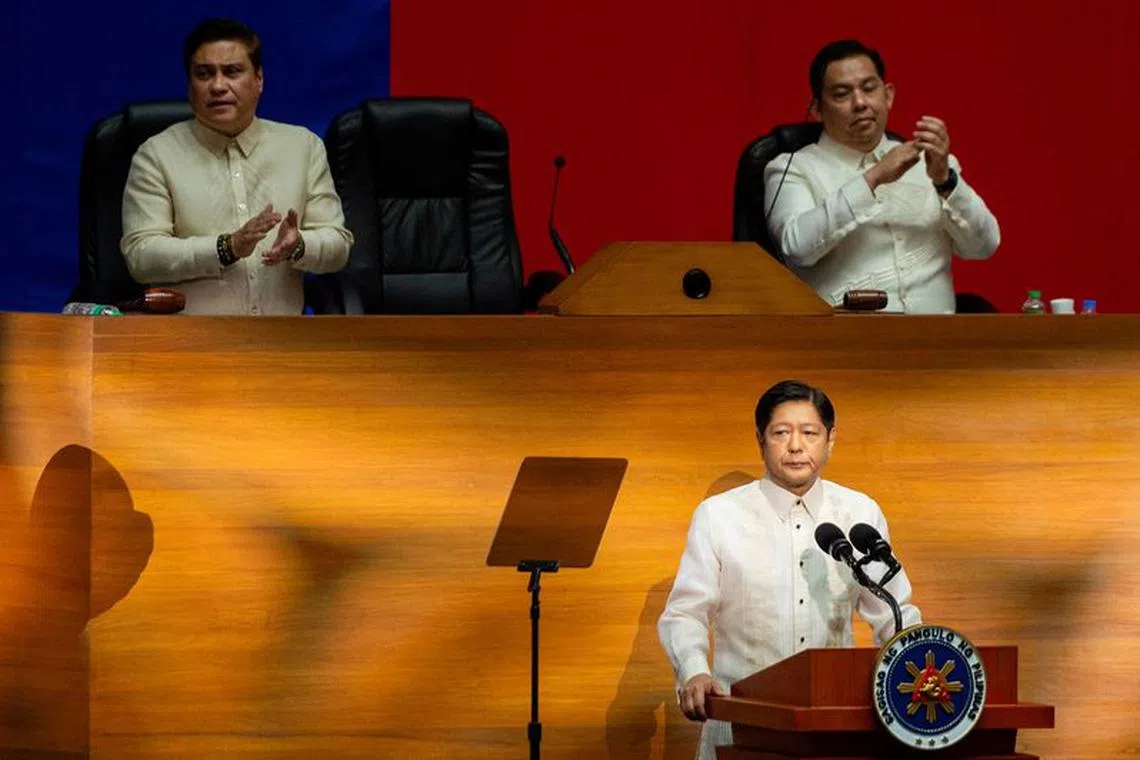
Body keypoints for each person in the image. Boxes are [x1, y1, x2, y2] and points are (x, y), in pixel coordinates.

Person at [657, 380, 921, 759]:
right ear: (761, 440)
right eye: (781, 433)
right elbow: (685, 612)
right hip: (742, 723)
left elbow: (895, 613)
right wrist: (694, 671)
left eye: (809, 433)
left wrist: (922, 671)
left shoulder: (859, 513)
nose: (796, 446)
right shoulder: (719, 516)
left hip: (834, 728)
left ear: (830, 440)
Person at [121, 18, 353, 315]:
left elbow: (338, 245)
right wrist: (226, 247)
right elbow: (142, 257)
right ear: (189, 87)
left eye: (232, 72)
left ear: (259, 79)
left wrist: (299, 246)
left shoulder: (302, 147)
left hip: (282, 344)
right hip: (189, 346)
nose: (218, 86)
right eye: (204, 74)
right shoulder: (156, 155)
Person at [764, 40, 1000, 314]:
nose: (860, 103)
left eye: (869, 88)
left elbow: (984, 246)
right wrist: (873, 178)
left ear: (887, 95)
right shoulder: (792, 168)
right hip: (849, 347)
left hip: (939, 344)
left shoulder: (931, 164)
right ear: (817, 109)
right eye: (842, 94)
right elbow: (797, 249)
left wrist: (945, 181)